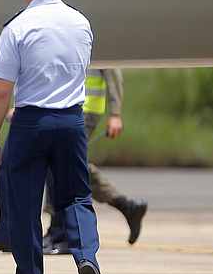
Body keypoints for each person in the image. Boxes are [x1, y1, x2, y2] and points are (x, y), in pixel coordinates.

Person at [0, 0, 110, 274]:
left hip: (31, 124)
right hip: (72, 123)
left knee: (24, 210)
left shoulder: (18, 27)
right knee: (76, 198)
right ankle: (86, 258)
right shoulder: (81, 23)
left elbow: (0, 91)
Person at [43, 69, 148, 253]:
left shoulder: (99, 40)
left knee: (65, 165)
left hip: (85, 110)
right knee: (70, 164)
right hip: (66, 107)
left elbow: (113, 71)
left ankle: (63, 232)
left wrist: (115, 113)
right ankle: (125, 205)